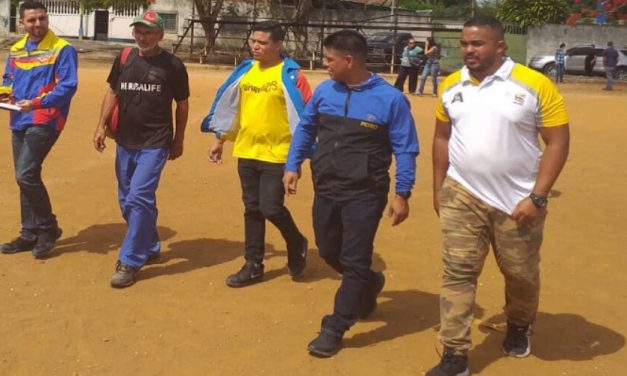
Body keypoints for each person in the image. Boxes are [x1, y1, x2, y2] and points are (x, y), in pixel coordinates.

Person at [427, 15, 569, 376]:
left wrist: (537, 197)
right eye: (464, 44)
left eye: (477, 44)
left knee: (520, 274)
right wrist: (438, 186)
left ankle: (519, 323)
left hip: (518, 201)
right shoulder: (450, 85)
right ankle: (455, 354)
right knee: (457, 272)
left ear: (500, 46)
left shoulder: (533, 84)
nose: (468, 50)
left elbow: (557, 142)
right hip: (462, 193)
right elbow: (442, 137)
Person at [283, 29, 419, 357]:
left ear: (349, 60)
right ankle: (369, 282)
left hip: (365, 192)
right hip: (326, 187)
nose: (324, 64)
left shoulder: (391, 100)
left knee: (355, 258)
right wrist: (293, 164)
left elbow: (406, 148)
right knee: (330, 251)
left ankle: (335, 326)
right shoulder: (325, 91)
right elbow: (307, 127)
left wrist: (403, 193)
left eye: (329, 59)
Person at [201, 21, 311, 288]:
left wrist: (296, 162)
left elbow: (308, 119)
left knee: (271, 207)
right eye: (254, 41)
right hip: (247, 151)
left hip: (278, 154)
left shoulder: (292, 75)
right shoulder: (246, 72)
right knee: (252, 209)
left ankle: (296, 242)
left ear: (278, 44)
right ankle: (253, 265)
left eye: (262, 42)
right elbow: (232, 109)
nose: (256, 46)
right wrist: (220, 138)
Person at [93, 10, 190, 288]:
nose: (142, 36)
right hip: (125, 140)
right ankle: (150, 243)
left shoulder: (172, 65)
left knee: (138, 197)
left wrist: (179, 138)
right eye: (138, 31)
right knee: (127, 199)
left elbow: (181, 104)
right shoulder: (124, 58)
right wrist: (101, 126)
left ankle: (130, 260)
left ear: (160, 35)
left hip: (155, 142)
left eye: (148, 32)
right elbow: (112, 91)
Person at [0, 1, 77, 259]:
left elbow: (67, 87)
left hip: (46, 117)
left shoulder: (62, 49)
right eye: (31, 20)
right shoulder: (17, 50)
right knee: (24, 177)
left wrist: (35, 103)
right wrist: (4, 97)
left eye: (42, 19)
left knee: (26, 174)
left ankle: (48, 228)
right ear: (22, 22)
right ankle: (29, 233)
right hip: (18, 118)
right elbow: (8, 80)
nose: (38, 24)